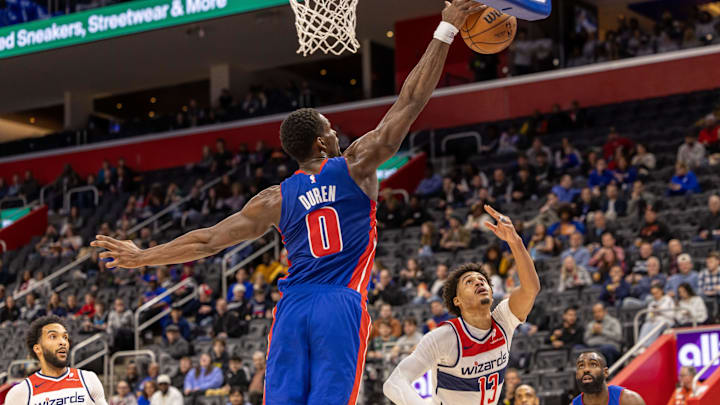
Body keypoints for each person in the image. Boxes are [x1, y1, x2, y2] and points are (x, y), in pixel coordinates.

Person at [92, 3, 484, 403]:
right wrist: (445, 31)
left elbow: (207, 241)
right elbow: (410, 101)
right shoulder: (355, 165)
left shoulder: (273, 198)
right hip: (339, 301)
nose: (336, 134)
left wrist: (142, 256)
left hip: (293, 307)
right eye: (330, 130)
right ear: (321, 142)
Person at [383, 206, 540, 404]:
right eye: (469, 281)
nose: (479, 282)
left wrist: (515, 242)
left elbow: (530, 289)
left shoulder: (503, 320)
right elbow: (394, 383)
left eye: (482, 279)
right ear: (457, 300)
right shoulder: (443, 337)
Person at [5, 315, 108, 404]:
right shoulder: (21, 392)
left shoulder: (88, 379)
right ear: (38, 348)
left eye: (65, 337)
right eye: (53, 336)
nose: (63, 342)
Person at [573, 351, 646, 404]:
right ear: (577, 375)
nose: (586, 370)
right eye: (581, 366)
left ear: (605, 372)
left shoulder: (629, 400)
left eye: (593, 364)